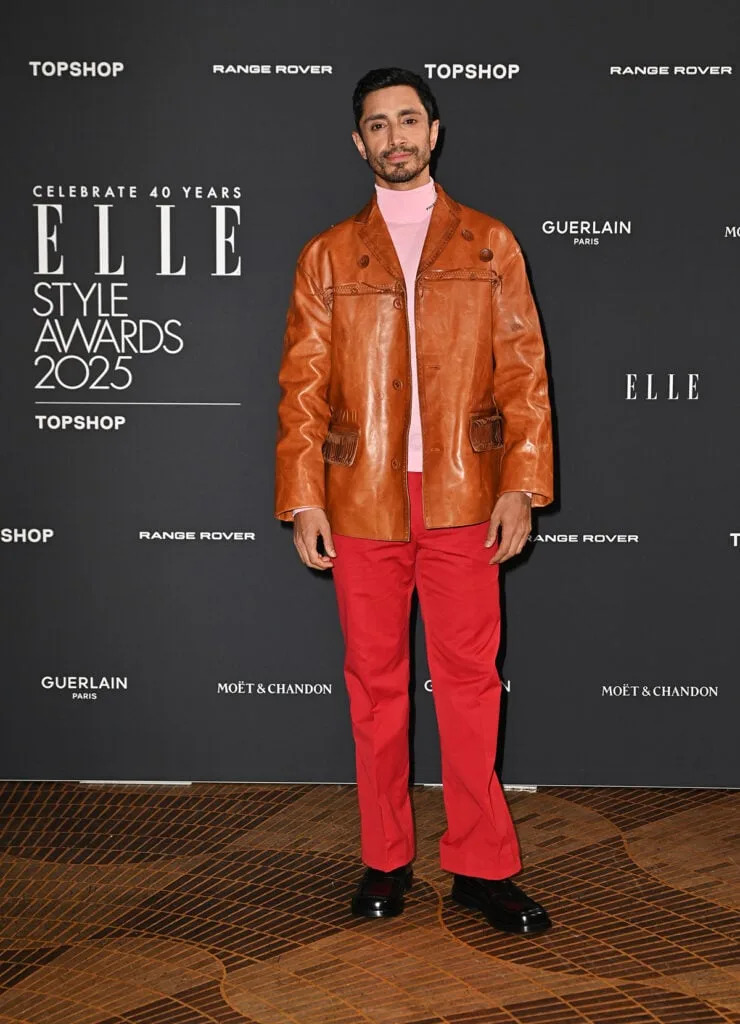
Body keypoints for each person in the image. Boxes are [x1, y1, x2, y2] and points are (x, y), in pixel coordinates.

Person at [274, 67, 554, 936]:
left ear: (434, 132)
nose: (394, 136)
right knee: (376, 685)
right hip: (362, 499)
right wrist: (303, 498)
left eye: (407, 120)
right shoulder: (326, 255)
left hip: (465, 496)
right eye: (377, 124)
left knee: (470, 684)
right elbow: (302, 389)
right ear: (358, 142)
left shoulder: (489, 243)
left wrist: (521, 484)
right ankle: (385, 857)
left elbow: (525, 375)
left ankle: (482, 866)